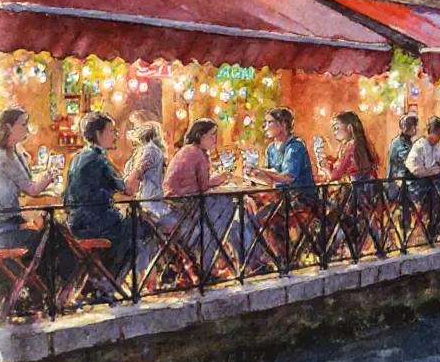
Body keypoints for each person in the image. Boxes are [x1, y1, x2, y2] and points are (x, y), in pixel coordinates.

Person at [165, 119, 254, 276]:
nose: (215, 139)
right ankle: (211, 265)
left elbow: (199, 183)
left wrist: (216, 180)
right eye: (212, 135)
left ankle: (216, 264)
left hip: (176, 203)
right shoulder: (198, 154)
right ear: (201, 135)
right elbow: (203, 186)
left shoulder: (187, 150)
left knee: (228, 210)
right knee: (229, 209)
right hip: (187, 207)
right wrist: (219, 180)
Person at [63, 112, 147, 276]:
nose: (115, 136)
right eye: (111, 131)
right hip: (94, 224)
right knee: (138, 228)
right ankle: (112, 279)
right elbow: (127, 190)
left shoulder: (77, 158)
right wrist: (138, 170)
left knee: (129, 227)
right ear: (98, 134)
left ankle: (102, 279)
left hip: (74, 224)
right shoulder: (98, 159)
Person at [0, 108, 61, 250]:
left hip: (5, 224)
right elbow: (32, 190)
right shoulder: (4, 156)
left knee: (50, 228)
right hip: (3, 232)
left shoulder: (9, 152)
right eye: (23, 124)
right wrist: (51, 174)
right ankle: (68, 272)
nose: (27, 129)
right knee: (53, 235)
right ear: (9, 128)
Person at [245, 108, 317, 206]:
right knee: (247, 203)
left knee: (255, 210)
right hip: (279, 196)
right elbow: (268, 177)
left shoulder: (295, 146)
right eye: (265, 123)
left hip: (299, 199)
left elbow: (288, 178)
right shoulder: (270, 149)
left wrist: (262, 172)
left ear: (283, 124)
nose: (264, 127)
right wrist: (256, 174)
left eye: (269, 122)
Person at [124, 119, 172, 228]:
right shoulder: (146, 150)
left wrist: (128, 183)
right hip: (147, 200)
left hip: (149, 204)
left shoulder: (150, 150)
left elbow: (137, 173)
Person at [321, 112, 380, 183]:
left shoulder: (352, 148)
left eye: (336, 128)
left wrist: (326, 169)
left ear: (349, 128)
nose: (334, 132)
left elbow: (335, 175)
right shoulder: (360, 144)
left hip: (358, 190)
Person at [386, 115, 418, 201]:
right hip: (401, 184)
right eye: (414, 126)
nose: (416, 128)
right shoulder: (396, 144)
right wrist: (392, 185)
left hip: (411, 181)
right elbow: (391, 167)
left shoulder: (411, 143)